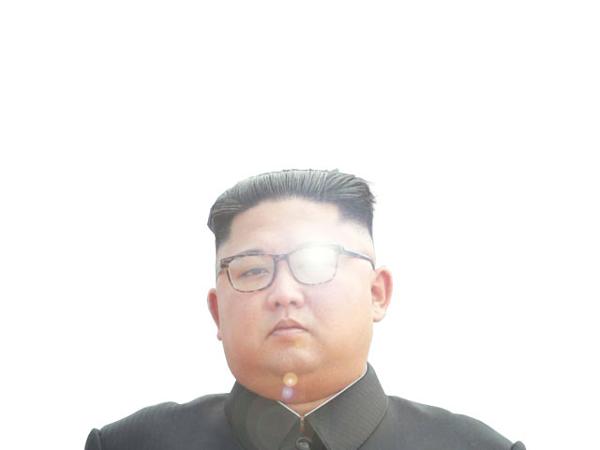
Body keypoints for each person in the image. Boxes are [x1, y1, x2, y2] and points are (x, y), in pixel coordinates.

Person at [85, 169, 526, 450]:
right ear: (217, 312)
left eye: (315, 264)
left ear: (377, 293)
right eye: (253, 270)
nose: (284, 293)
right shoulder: (132, 444)